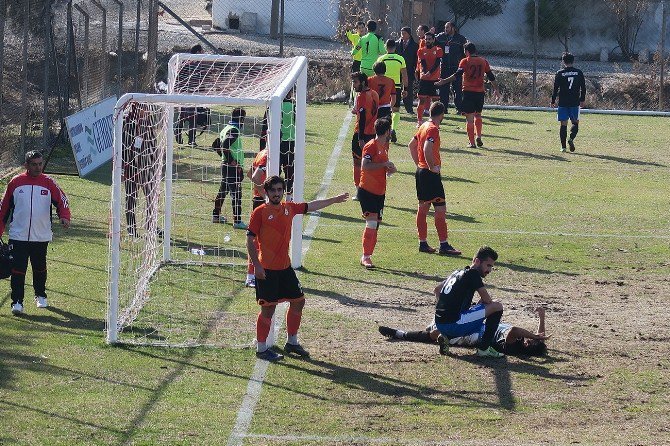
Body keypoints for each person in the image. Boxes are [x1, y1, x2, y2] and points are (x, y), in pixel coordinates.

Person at [247, 175, 348, 361]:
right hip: (267, 270)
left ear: (283, 191)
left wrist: (334, 199)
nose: (277, 193)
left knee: (299, 301)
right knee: (268, 310)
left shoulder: (289, 208)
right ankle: (261, 349)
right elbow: (250, 240)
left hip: (285, 269)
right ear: (267, 192)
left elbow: (312, 205)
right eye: (273, 190)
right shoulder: (260, 212)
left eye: (279, 190)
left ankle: (292, 342)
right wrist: (257, 267)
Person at [0, 151, 71, 315]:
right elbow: (3, 209)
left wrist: (64, 217)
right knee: (18, 269)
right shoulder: (15, 183)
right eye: (34, 164)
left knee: (39, 267)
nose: (38, 167)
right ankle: (17, 302)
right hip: (18, 236)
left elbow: (62, 201)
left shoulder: (49, 183)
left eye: (40, 164)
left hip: (41, 235)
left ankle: (40, 295)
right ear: (26, 165)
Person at [378, 307, 550, 357]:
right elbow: (540, 338)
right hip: (478, 326)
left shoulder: (513, 346)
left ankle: (399, 334)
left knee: (436, 334)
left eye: (528, 342)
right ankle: (400, 333)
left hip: (476, 336)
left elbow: (515, 330)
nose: (526, 340)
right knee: (443, 327)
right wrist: (541, 318)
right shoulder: (528, 342)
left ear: (526, 346)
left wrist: (533, 336)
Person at [408, 101, 460, 255]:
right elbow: (427, 148)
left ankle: (422, 243)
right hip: (430, 174)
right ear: (442, 114)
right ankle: (444, 245)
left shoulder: (423, 126)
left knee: (423, 208)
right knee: (440, 209)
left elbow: (411, 145)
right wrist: (431, 166)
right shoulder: (433, 129)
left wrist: (419, 164)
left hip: (421, 172)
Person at [434, 246, 505, 357]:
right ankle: (484, 349)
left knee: (477, 312)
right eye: (488, 265)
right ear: (477, 261)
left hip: (439, 323)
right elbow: (487, 300)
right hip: (454, 324)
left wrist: (446, 310)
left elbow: (437, 290)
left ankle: (447, 337)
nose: (490, 270)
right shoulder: (473, 274)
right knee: (497, 306)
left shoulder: (457, 272)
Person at [436, 41, 499, 148]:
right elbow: (491, 76)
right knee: (478, 115)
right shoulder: (483, 61)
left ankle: (472, 143)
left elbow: (457, 75)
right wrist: (496, 90)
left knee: (469, 118)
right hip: (480, 93)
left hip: (468, 92)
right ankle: (478, 136)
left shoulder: (465, 61)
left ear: (467, 51)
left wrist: (444, 81)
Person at [357, 118, 396, 269]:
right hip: (367, 190)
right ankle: (365, 257)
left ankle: (368, 255)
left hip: (380, 192)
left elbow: (382, 168)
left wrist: (390, 169)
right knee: (372, 223)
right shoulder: (371, 146)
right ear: (387, 131)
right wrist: (384, 164)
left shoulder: (385, 145)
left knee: (375, 225)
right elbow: (365, 166)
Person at [122, 102, 160, 237]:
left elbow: (153, 143)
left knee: (151, 196)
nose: (147, 111)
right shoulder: (127, 123)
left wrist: (155, 161)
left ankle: (152, 225)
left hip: (147, 167)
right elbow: (123, 146)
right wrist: (124, 168)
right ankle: (131, 229)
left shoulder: (148, 124)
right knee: (131, 198)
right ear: (137, 109)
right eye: (144, 108)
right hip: (131, 167)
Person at [212, 107, 247, 229]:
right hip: (232, 169)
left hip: (225, 166)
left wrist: (223, 157)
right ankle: (237, 221)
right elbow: (225, 144)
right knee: (236, 194)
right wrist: (231, 160)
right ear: (242, 119)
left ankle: (216, 216)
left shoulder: (226, 128)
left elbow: (215, 144)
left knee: (223, 191)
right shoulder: (234, 130)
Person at [174, 44, 209, 146]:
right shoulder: (195, 64)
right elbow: (200, 79)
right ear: (198, 52)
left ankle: (182, 134)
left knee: (184, 115)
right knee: (192, 116)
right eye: (202, 51)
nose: (204, 53)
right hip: (191, 93)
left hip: (186, 93)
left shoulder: (186, 62)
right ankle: (190, 140)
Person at [551, 52, 586, 153]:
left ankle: (563, 147)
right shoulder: (579, 73)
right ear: (573, 61)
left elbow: (555, 88)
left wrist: (553, 100)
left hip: (563, 102)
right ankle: (570, 139)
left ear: (563, 61)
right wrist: (582, 99)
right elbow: (583, 88)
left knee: (563, 124)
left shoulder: (560, 73)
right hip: (574, 102)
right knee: (575, 123)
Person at [350, 72, 379, 191]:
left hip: (361, 134)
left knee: (358, 163)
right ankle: (371, 188)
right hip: (373, 134)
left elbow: (362, 118)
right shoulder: (374, 93)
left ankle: (359, 190)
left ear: (362, 82)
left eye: (355, 82)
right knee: (371, 163)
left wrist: (360, 138)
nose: (354, 85)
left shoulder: (361, 96)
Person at [244, 145, 268, 288]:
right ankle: (251, 275)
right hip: (261, 202)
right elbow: (254, 177)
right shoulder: (266, 156)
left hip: (258, 199)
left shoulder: (261, 153)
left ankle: (256, 273)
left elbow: (249, 173)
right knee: (257, 241)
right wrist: (266, 196)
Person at [376, 39, 408, 142]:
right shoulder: (400, 59)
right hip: (396, 86)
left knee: (382, 109)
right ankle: (393, 129)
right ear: (395, 47)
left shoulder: (381, 58)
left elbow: (377, 73)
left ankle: (383, 132)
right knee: (396, 110)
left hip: (383, 87)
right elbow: (404, 75)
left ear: (386, 47)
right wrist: (405, 88)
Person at [435, 21, 467, 113]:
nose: (445, 29)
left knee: (457, 89)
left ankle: (459, 109)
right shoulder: (440, 37)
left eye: (447, 27)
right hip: (444, 66)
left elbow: (465, 53)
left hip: (456, 67)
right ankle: (444, 109)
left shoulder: (460, 39)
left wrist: (462, 64)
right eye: (445, 27)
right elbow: (432, 42)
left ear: (453, 28)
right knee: (443, 89)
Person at [416, 32, 443, 127]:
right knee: (422, 100)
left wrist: (430, 73)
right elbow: (422, 63)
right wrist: (424, 72)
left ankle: (436, 122)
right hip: (424, 79)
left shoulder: (438, 50)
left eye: (429, 39)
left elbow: (437, 63)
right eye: (426, 39)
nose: (427, 41)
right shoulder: (420, 50)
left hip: (434, 79)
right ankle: (419, 121)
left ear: (433, 40)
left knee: (436, 101)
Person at [396, 27, 418, 114]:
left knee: (408, 89)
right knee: (396, 89)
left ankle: (409, 108)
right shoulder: (397, 43)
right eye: (401, 33)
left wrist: (416, 70)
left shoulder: (414, 45)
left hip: (409, 70)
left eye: (404, 33)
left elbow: (416, 60)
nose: (402, 35)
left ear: (409, 34)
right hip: (397, 70)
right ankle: (395, 106)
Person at [280, 90, 297, 200]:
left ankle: (274, 195)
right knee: (289, 170)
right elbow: (296, 122)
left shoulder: (275, 105)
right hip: (291, 141)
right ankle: (289, 196)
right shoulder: (294, 106)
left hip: (278, 142)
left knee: (276, 169)